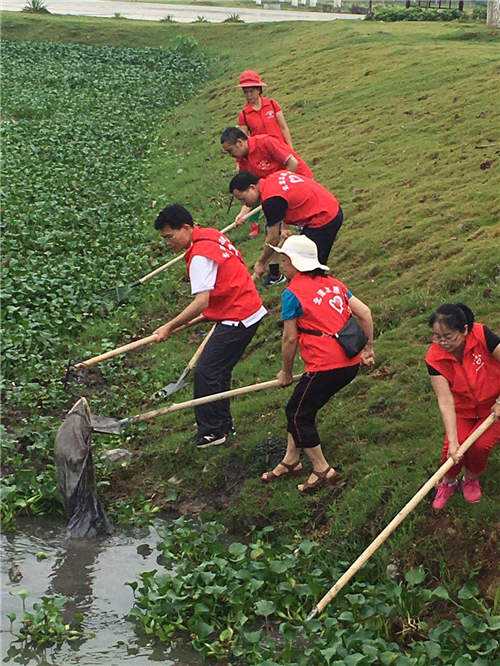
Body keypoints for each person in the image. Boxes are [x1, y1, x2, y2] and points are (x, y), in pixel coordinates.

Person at [261, 235, 374, 492]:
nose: (282, 265)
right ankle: (291, 460)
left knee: (297, 414)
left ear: (294, 263)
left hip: (325, 367)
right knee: (303, 404)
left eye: (284, 261)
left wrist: (286, 372)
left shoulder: (292, 293)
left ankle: (322, 469)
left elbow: (290, 338)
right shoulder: (334, 284)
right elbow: (365, 313)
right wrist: (368, 349)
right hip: (350, 363)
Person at [152, 204, 267, 448]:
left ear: (186, 228)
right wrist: (208, 315)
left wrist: (168, 327)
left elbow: (201, 301)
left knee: (206, 372)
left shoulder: (200, 256)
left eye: (170, 237)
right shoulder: (211, 235)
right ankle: (223, 425)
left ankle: (212, 432)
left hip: (239, 316)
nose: (168, 243)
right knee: (219, 371)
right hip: (246, 308)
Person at [426, 303, 500, 510]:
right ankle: (448, 482)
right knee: (452, 449)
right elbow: (445, 400)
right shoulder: (434, 358)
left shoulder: (482, 336)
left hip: (493, 407)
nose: (442, 342)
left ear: (464, 330)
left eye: (448, 336)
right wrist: (453, 441)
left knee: (479, 446)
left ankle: (471, 478)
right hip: (463, 410)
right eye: (437, 336)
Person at [221, 127, 314, 277]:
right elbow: (247, 190)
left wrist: (278, 188)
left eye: (230, 150)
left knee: (301, 229)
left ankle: (310, 267)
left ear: (239, 142)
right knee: (272, 231)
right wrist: (243, 213)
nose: (230, 155)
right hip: (274, 196)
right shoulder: (242, 161)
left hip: (297, 186)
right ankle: (275, 273)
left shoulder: (266, 143)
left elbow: (293, 163)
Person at [229, 170, 343, 285]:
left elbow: (273, 238)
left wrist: (261, 262)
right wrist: (284, 228)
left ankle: (318, 290)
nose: (245, 204)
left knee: (307, 269)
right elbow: (287, 200)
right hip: (328, 205)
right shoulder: (273, 178)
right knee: (299, 264)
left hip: (324, 218)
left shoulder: (271, 200)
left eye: (243, 199)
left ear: (252, 187)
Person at [236, 70, 293, 148]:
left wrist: (290, 148)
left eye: (251, 91)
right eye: (246, 92)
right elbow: (245, 140)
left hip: (281, 148)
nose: (249, 95)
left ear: (258, 90)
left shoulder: (272, 104)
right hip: (262, 152)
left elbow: (283, 128)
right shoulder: (244, 114)